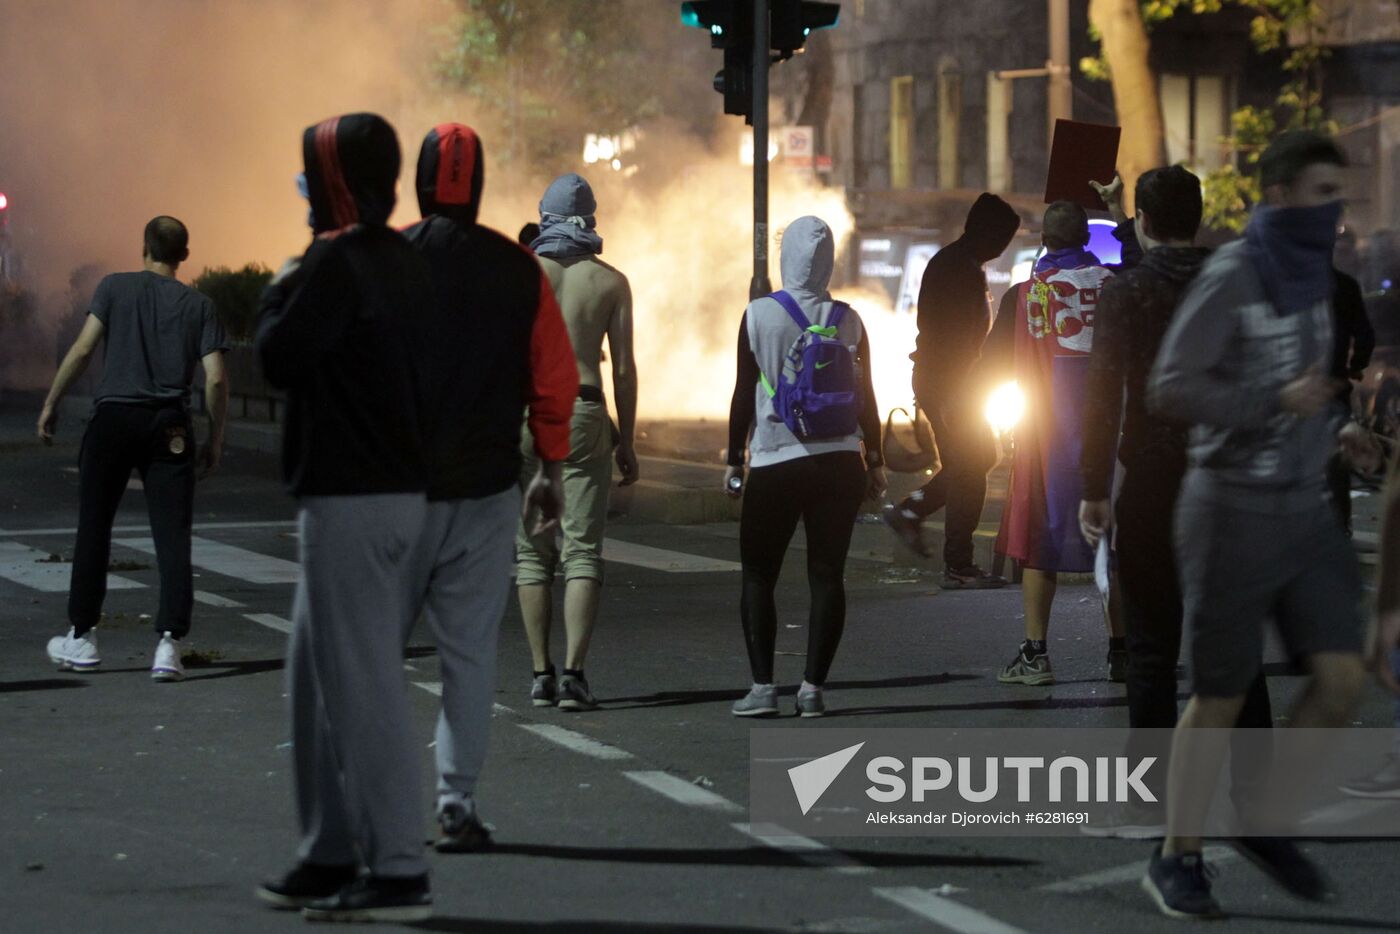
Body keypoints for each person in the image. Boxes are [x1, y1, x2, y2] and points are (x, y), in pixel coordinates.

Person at [1142, 130, 1378, 919]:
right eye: (1320, 192)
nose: (1335, 208)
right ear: (1279, 197)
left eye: (1338, 192)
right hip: (1229, 506)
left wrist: (1338, 430)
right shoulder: (1235, 273)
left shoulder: (1316, 277)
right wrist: (1272, 405)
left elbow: (1315, 384)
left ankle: (1265, 822)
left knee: (1342, 680)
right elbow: (1171, 387)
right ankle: (1177, 855)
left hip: (1304, 505)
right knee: (1219, 694)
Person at [255, 113, 436, 923]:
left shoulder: (333, 261)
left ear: (332, 180)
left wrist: (283, 282)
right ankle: (328, 848)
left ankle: (395, 862)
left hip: (351, 498)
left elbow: (278, 356)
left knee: (358, 687)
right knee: (315, 680)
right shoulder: (401, 256)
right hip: (395, 491)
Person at [1078, 167, 1274, 837]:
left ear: (1144, 222)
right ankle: (1255, 796)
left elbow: (1102, 397)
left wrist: (1091, 488)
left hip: (1155, 480)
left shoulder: (1125, 293)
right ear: (1196, 216)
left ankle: (1147, 800)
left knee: (1154, 647)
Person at [402, 123, 578, 851]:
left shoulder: (385, 260)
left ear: (418, 183)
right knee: (468, 655)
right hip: (482, 491)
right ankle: (455, 802)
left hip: (393, 494)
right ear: (476, 191)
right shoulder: (518, 270)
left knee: (372, 652)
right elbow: (554, 376)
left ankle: (365, 804)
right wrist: (550, 466)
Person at [39, 215, 228, 682]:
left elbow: (83, 350)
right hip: (169, 426)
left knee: (95, 527)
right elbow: (217, 378)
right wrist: (215, 437)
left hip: (113, 420)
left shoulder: (113, 288)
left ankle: (81, 636)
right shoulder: (199, 305)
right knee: (172, 535)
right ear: (184, 255)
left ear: (144, 248)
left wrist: (52, 403)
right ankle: (168, 645)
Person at [724, 215, 885, 718]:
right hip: (840, 464)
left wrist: (734, 458)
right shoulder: (849, 319)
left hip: (777, 461)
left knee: (758, 573)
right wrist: (875, 460)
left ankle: (762, 688)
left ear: (785, 257)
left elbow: (740, 397)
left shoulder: (758, 315)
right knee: (827, 575)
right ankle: (813, 689)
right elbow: (869, 400)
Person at [517, 173, 639, 712]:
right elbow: (626, 371)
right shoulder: (611, 282)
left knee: (532, 553)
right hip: (587, 410)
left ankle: (539, 675)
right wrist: (627, 439)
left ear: (543, 215)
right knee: (582, 551)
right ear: (590, 219)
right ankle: (574, 677)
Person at [994, 200, 1123, 686]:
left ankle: (1036, 654)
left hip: (1046, 436)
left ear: (1044, 240)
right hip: (1111, 437)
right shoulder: (1116, 288)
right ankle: (1122, 651)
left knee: (1038, 541)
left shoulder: (1025, 294)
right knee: (1114, 543)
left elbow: (996, 363)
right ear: (1087, 241)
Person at [883, 193, 1020, 588]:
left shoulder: (960, 263)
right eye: (1003, 238)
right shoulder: (959, 268)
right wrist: (952, 395)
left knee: (975, 460)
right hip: (951, 384)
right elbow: (953, 339)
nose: (1004, 247)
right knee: (971, 468)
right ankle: (958, 565)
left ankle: (911, 511)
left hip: (951, 383)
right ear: (986, 233)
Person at [1326, 264, 1375, 535]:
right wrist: (1356, 364)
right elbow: (1365, 336)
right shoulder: (1345, 285)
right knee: (1337, 466)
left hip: (1295, 393)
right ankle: (1339, 528)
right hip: (1334, 390)